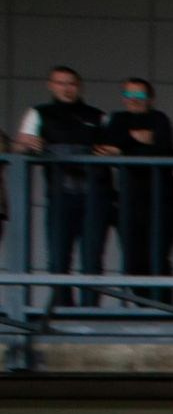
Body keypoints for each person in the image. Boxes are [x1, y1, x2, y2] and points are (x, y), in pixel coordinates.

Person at [12, 66, 107, 307]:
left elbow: (112, 148)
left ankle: (90, 310)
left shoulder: (97, 115)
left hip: (95, 193)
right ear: (50, 85)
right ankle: (63, 309)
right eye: (60, 83)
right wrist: (24, 145)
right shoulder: (39, 113)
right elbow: (20, 147)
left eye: (71, 83)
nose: (66, 88)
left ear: (79, 86)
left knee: (92, 257)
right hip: (60, 193)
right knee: (58, 257)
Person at [95, 78, 173, 290]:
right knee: (133, 259)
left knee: (158, 257)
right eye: (130, 95)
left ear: (150, 99)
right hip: (129, 200)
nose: (134, 100)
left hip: (161, 200)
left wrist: (123, 148)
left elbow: (164, 150)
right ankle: (143, 305)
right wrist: (137, 141)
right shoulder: (118, 119)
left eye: (140, 96)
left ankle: (162, 308)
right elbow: (106, 146)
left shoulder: (159, 118)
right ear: (123, 98)